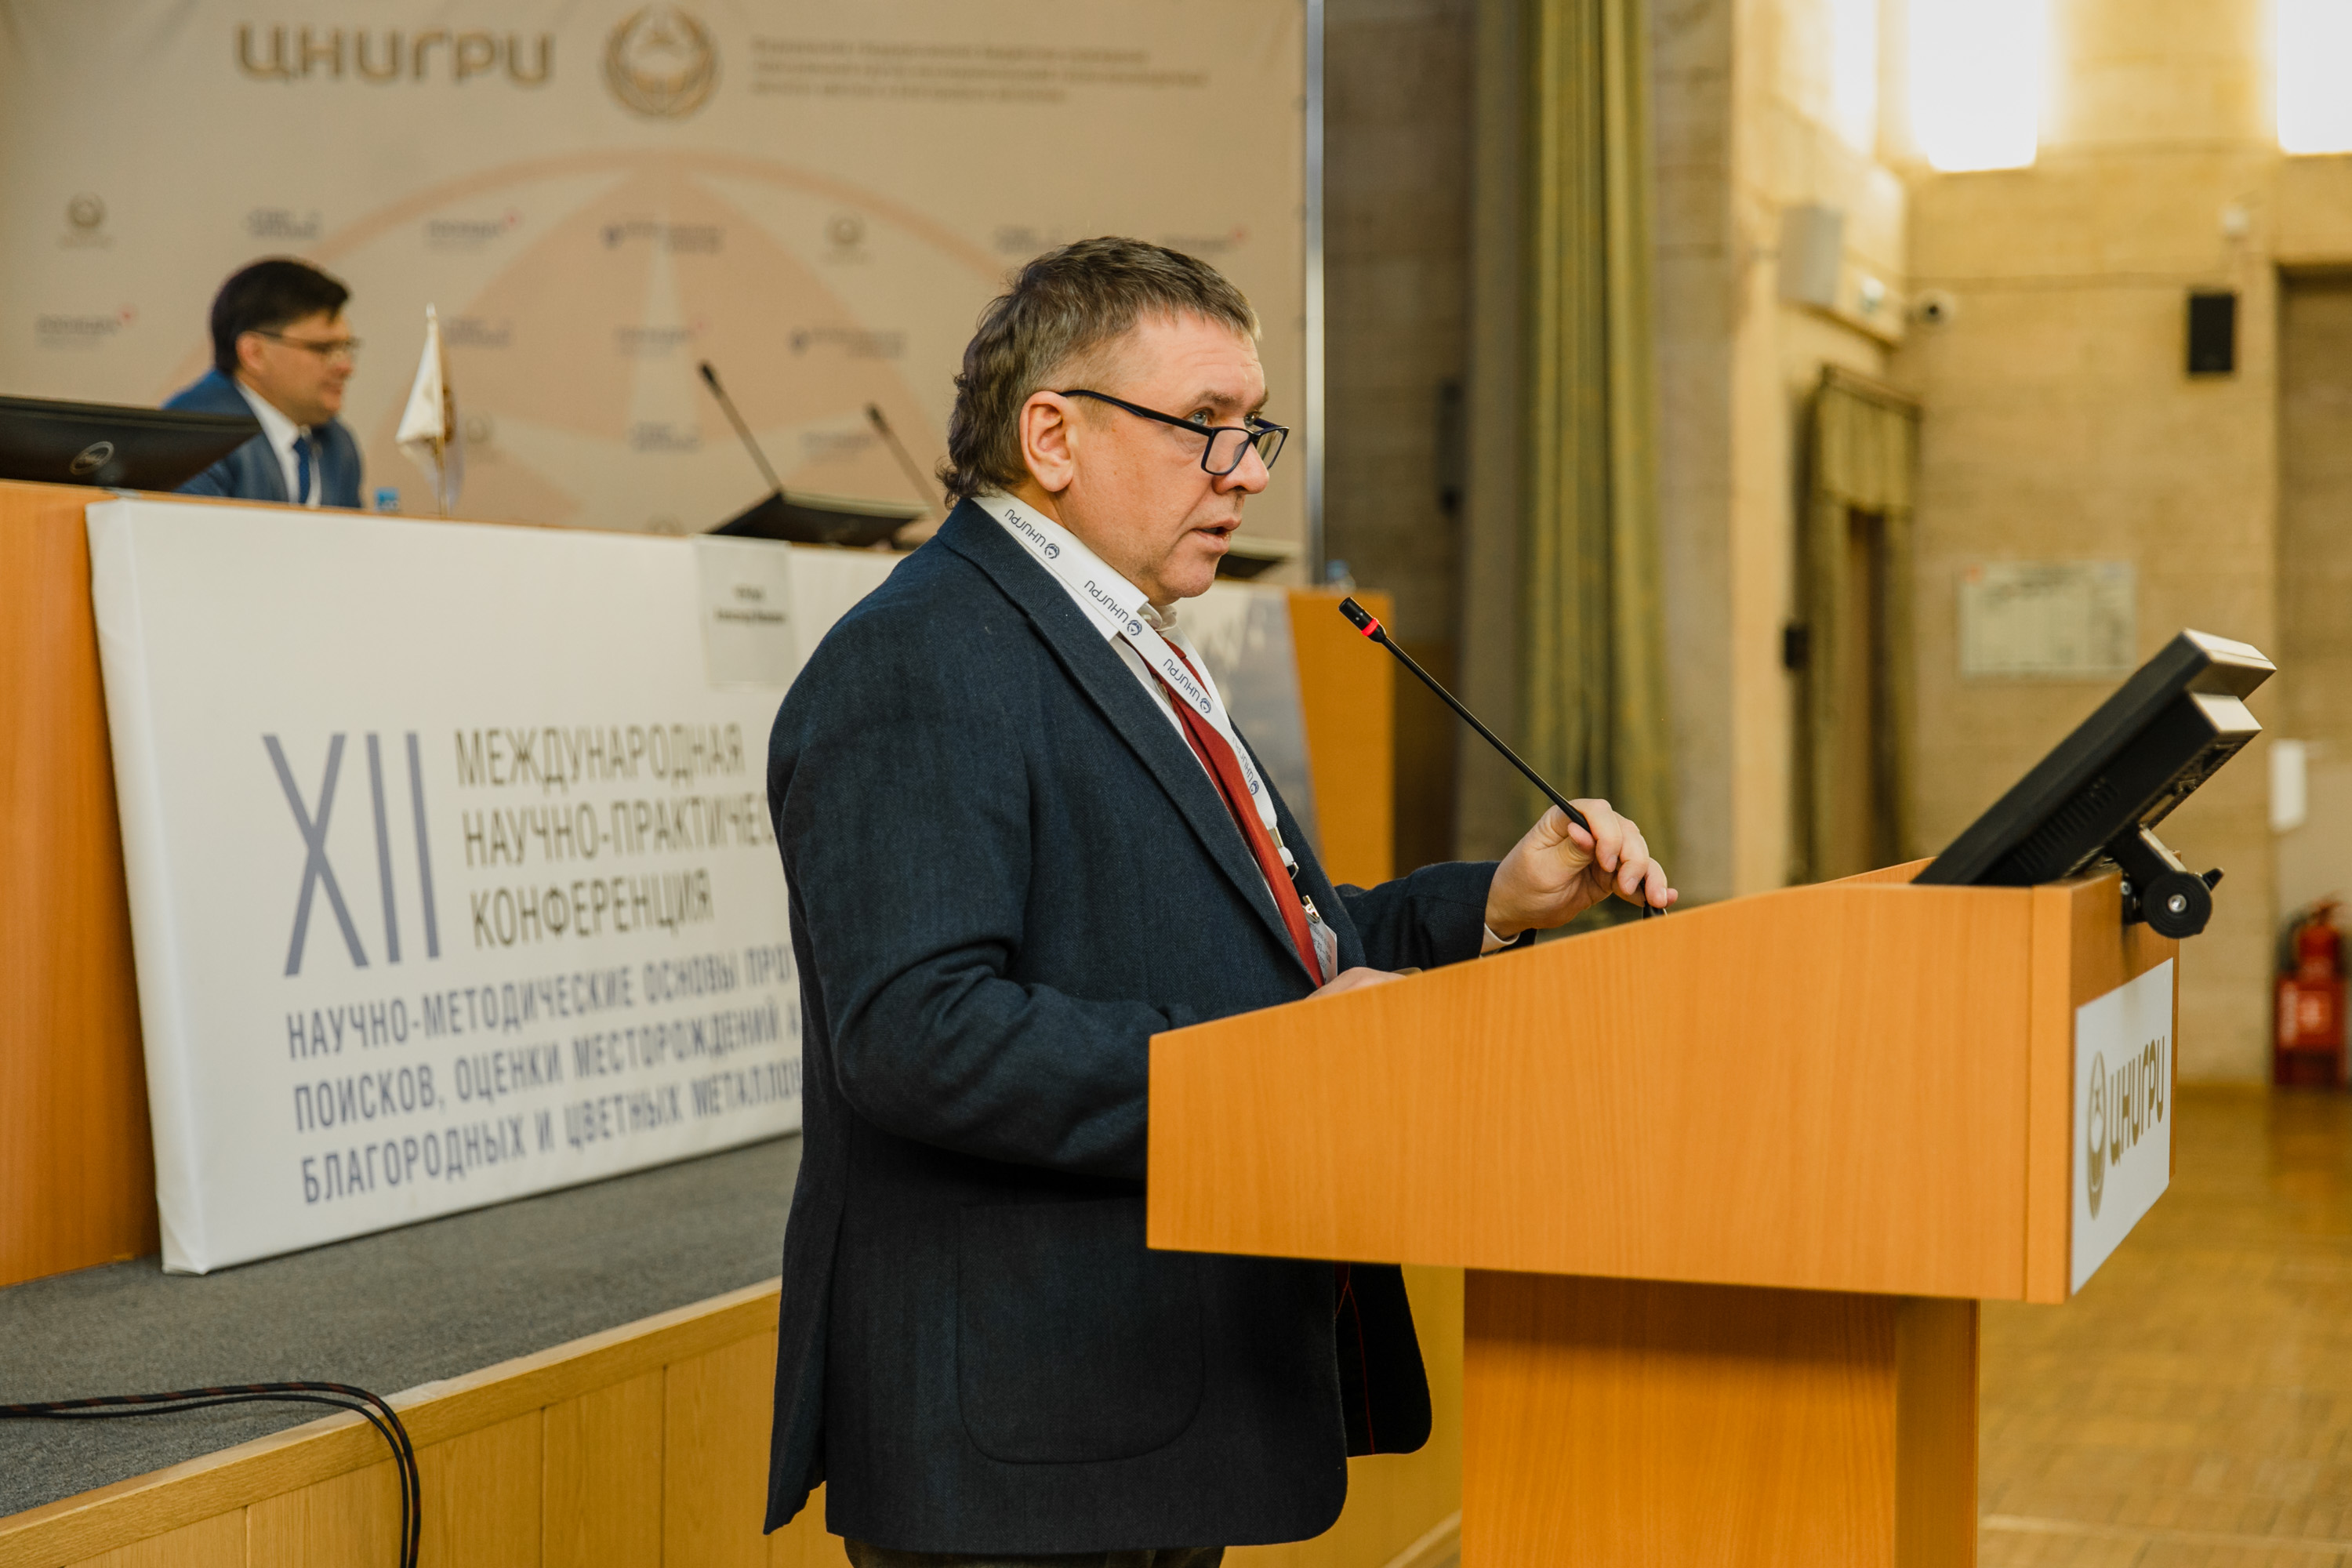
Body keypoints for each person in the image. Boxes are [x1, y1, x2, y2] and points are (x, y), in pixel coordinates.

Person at [763, 237, 1674, 1566]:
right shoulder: (922, 657)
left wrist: (1496, 902)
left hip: (1143, 1406)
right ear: (1053, 437)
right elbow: (918, 1036)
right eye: (1204, 424)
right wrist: (1274, 1066)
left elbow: (1267, 950)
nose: (1245, 471)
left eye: (1254, 429)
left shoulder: (1123, 638)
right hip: (1029, 1434)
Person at [165, 258, 364, 508]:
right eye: (324, 349)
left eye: (345, 348)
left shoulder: (337, 444)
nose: (346, 367)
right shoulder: (193, 434)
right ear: (254, 354)